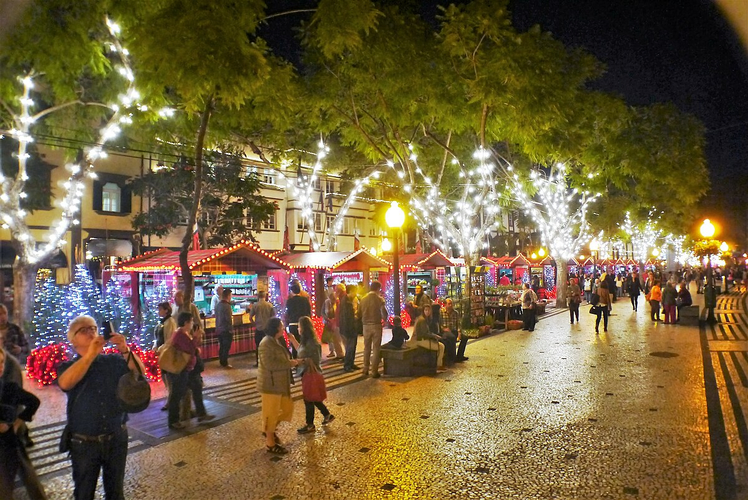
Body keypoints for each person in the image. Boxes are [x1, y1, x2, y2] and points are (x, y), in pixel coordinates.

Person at [58, 315, 146, 500]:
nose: (91, 331)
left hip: (116, 439)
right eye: (84, 330)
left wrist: (124, 348)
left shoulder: (112, 361)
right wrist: (90, 354)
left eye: (93, 328)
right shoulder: (68, 366)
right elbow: (66, 383)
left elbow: (139, 371)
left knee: (116, 493)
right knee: (84, 493)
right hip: (84, 444)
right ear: (73, 340)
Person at [0, 346, 46, 500]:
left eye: (1, 363)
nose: (0, 367)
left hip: (7, 446)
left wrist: (17, 422)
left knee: (5, 488)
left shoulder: (9, 388)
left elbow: (33, 402)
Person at [258, 317, 302, 454]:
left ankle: (268, 430)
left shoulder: (275, 341)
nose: (283, 328)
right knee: (270, 414)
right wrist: (290, 363)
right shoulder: (265, 343)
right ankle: (270, 443)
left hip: (280, 383)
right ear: (276, 328)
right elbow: (269, 364)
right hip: (270, 384)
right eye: (281, 326)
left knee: (287, 408)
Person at [165, 312, 214, 430]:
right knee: (177, 395)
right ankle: (173, 421)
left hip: (188, 369)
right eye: (191, 321)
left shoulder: (184, 333)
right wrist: (196, 338)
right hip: (180, 370)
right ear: (186, 322)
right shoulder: (179, 335)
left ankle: (201, 414)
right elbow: (190, 350)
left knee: (197, 388)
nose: (192, 323)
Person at [296, 316, 335, 434]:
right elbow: (301, 351)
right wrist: (292, 339)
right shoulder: (307, 341)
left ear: (304, 328)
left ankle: (310, 424)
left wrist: (299, 361)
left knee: (308, 399)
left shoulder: (312, 343)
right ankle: (327, 415)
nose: (298, 329)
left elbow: (313, 358)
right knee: (313, 397)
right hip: (308, 372)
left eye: (299, 326)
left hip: (310, 373)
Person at [359, 280, 387, 378]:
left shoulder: (363, 299)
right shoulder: (380, 299)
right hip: (376, 325)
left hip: (366, 325)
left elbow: (359, 312)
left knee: (366, 348)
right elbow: (384, 313)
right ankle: (374, 371)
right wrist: (385, 319)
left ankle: (365, 368)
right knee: (376, 348)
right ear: (378, 289)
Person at [153, 302, 177, 411]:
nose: (158, 311)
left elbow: (170, 339)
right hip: (161, 353)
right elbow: (157, 337)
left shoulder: (170, 322)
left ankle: (171, 400)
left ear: (166, 310)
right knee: (165, 376)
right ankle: (170, 397)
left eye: (160, 309)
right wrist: (155, 347)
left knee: (169, 377)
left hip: (167, 354)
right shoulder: (161, 323)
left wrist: (159, 349)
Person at [410, 302, 446, 371]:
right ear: (423, 311)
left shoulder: (423, 319)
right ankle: (439, 365)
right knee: (441, 347)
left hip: (421, 339)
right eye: (425, 310)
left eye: (428, 310)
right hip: (420, 340)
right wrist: (435, 336)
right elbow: (424, 333)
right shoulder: (422, 320)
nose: (427, 312)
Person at [285, 282, 312, 358]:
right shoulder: (305, 300)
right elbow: (309, 311)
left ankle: (296, 360)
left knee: (294, 344)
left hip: (293, 323)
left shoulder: (289, 301)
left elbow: (288, 313)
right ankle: (304, 359)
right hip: (304, 323)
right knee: (304, 343)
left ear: (292, 291)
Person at [249, 291, 276, 366]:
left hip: (258, 328)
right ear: (265, 296)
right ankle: (268, 361)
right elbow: (273, 317)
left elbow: (250, 317)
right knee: (268, 345)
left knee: (258, 346)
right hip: (267, 329)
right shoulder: (270, 305)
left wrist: (254, 324)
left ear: (258, 296)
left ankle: (258, 362)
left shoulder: (255, 305)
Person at [338, 284, 359, 373]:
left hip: (351, 327)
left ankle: (351, 363)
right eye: (355, 292)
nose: (355, 294)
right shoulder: (346, 302)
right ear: (350, 292)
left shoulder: (348, 300)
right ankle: (347, 365)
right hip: (349, 328)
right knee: (350, 347)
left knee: (352, 346)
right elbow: (347, 317)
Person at [321, 290, 344, 360]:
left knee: (337, 338)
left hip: (336, 323)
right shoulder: (326, 302)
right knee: (330, 338)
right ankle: (332, 351)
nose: (332, 302)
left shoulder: (338, 303)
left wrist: (335, 320)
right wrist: (327, 319)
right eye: (331, 300)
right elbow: (322, 312)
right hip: (328, 322)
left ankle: (340, 353)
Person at [215, 288, 234, 368]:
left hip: (219, 329)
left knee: (222, 346)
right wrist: (231, 329)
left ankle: (222, 361)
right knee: (226, 346)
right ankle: (225, 363)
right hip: (226, 329)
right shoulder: (227, 306)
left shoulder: (218, 305)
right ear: (228, 296)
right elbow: (228, 319)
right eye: (230, 295)